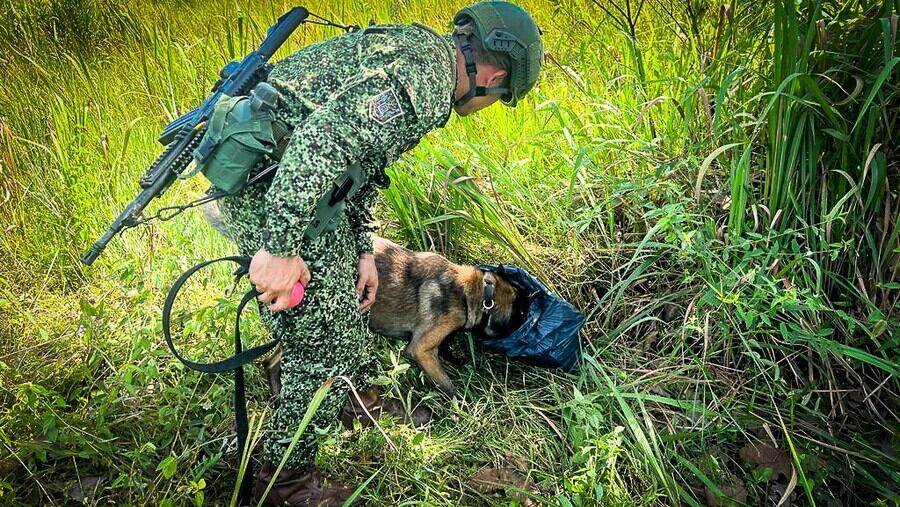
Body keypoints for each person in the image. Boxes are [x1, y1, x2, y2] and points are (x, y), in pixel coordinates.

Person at [216, 1, 543, 504]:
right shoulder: (425, 83)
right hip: (272, 187)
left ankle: (358, 399)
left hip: (301, 187)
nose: (490, 104)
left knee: (349, 307)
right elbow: (321, 144)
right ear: (495, 74)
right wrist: (280, 247)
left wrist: (363, 245)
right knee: (317, 342)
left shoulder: (423, 54)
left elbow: (360, 160)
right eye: (501, 97)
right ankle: (283, 480)